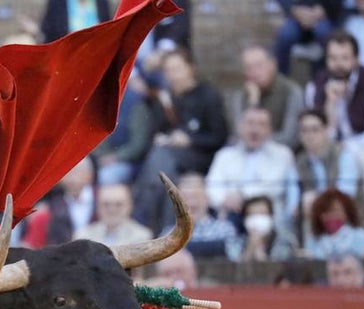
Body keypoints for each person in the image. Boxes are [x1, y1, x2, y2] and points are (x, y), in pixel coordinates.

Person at [132, 47, 228, 235]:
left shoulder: (208, 95)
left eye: (177, 69)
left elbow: (219, 137)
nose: (172, 75)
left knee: (159, 165)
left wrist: (190, 140)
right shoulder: (165, 97)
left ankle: (145, 224)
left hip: (201, 156)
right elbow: (156, 131)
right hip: (170, 159)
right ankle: (168, 230)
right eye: (168, 70)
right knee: (166, 173)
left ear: (190, 68)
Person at [303, 31, 364, 158]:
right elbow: (315, 136)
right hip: (331, 156)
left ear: (356, 59)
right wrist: (331, 105)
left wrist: (344, 149)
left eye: (345, 58)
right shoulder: (315, 85)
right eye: (333, 58)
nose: (339, 64)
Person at [204, 105, 298, 230]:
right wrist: (225, 199)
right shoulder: (224, 155)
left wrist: (241, 197)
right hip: (229, 216)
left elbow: (274, 188)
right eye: (250, 123)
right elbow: (211, 187)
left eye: (261, 124)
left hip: (268, 218)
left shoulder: (282, 155)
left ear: (270, 130)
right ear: (240, 127)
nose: (255, 130)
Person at [293, 108, 363, 238]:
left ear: (325, 130)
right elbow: (293, 201)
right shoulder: (298, 162)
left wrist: (317, 201)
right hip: (312, 219)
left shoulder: (344, 155)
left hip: (346, 219)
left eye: (315, 130)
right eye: (304, 130)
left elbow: (347, 194)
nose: (309, 135)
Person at [227, 45, 304, 149]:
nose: (254, 72)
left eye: (259, 65)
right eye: (248, 68)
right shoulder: (241, 95)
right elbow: (238, 134)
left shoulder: (291, 92)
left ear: (273, 65)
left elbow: (291, 137)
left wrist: (256, 140)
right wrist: (253, 102)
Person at [90, 69, 156, 185]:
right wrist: (100, 157)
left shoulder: (135, 103)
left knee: (107, 176)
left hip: (130, 162)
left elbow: (139, 144)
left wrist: (115, 157)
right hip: (101, 159)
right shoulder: (98, 101)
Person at [19, 156, 97, 247]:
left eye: (75, 171)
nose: (71, 177)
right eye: (67, 172)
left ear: (90, 174)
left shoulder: (102, 199)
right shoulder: (52, 205)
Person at [272, 0, 346, 78]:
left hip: (325, 15)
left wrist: (324, 10)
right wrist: (295, 10)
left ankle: (323, 76)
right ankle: (281, 75)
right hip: (297, 14)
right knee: (285, 35)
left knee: (324, 34)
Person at [178, 172, 241, 259]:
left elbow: (234, 254)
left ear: (207, 198)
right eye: (185, 198)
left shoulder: (224, 229)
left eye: (195, 197)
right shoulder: (169, 233)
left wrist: (184, 249)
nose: (191, 203)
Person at [74, 183, 154, 246]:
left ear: (129, 206)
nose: (112, 210)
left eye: (118, 204)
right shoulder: (82, 236)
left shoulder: (143, 237)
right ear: (98, 206)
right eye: (106, 204)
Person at [307, 188, 364, 258]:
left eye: (336, 211)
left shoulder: (360, 236)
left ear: (346, 213)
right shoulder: (314, 241)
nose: (331, 216)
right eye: (326, 212)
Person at [235, 195, 299, 261]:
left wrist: (260, 254)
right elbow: (234, 262)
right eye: (251, 214)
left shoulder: (285, 240)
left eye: (262, 213)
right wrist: (249, 250)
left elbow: (281, 263)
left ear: (271, 215)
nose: (257, 219)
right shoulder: (240, 240)